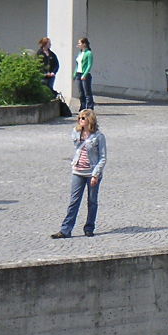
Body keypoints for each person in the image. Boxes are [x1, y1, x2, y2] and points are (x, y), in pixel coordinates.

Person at [51, 109, 106, 238]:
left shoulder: (98, 136)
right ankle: (65, 229)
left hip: (92, 172)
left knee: (92, 201)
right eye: (79, 118)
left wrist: (95, 174)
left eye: (83, 118)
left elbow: (103, 157)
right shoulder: (76, 132)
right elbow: (77, 147)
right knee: (74, 201)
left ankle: (89, 227)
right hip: (78, 171)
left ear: (90, 120)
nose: (80, 120)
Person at [75, 37, 94, 110]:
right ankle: (82, 107)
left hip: (85, 74)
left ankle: (90, 107)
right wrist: (74, 74)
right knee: (81, 93)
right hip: (78, 74)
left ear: (84, 44)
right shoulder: (80, 53)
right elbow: (77, 64)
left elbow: (89, 65)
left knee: (87, 93)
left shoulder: (89, 53)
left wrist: (85, 74)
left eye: (79, 43)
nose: (78, 44)